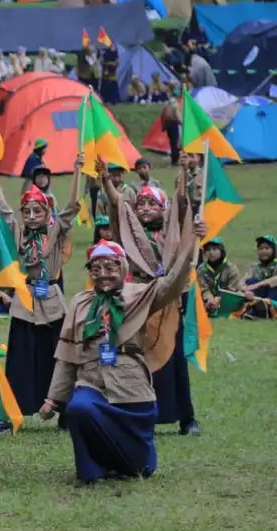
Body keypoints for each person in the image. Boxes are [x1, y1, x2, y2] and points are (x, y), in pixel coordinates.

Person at [42, 235, 195, 484]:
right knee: (80, 408)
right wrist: (53, 398)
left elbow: (172, 285)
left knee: (141, 468)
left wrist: (191, 246)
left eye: (110, 267)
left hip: (130, 380)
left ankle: (134, 461)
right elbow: (67, 354)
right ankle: (92, 472)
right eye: (96, 268)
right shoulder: (80, 302)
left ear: (122, 268)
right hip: (90, 378)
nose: (103, 274)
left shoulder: (141, 294)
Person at [0, 152, 83, 432]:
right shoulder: (18, 233)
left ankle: (64, 409)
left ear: (47, 212)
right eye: (26, 211)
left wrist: (76, 171)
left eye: (37, 211)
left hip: (51, 301)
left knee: (59, 358)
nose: (31, 216)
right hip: (24, 302)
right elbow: (1, 207)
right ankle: (10, 413)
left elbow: (73, 206)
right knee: (19, 359)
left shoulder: (55, 232)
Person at [101, 163, 202, 435]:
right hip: (137, 300)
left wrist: (184, 171)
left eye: (152, 203)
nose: (145, 208)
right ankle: (139, 412)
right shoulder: (129, 233)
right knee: (137, 358)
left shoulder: (172, 232)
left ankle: (186, 417)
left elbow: (184, 208)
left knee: (174, 357)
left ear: (162, 208)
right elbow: (118, 207)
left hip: (167, 300)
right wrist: (106, 180)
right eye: (141, 203)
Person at [197, 237, 243, 316]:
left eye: (214, 249)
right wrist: (210, 299)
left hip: (227, 298)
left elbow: (231, 289)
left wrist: (217, 299)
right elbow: (204, 288)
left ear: (221, 251)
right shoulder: (201, 269)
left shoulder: (231, 268)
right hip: (208, 299)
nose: (211, 252)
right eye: (208, 250)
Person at [243, 235, 277, 317]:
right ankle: (256, 308)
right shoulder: (255, 265)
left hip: (274, 295)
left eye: (267, 248)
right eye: (261, 248)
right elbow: (244, 279)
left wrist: (255, 286)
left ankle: (268, 308)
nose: (263, 251)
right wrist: (245, 289)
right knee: (250, 281)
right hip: (261, 294)